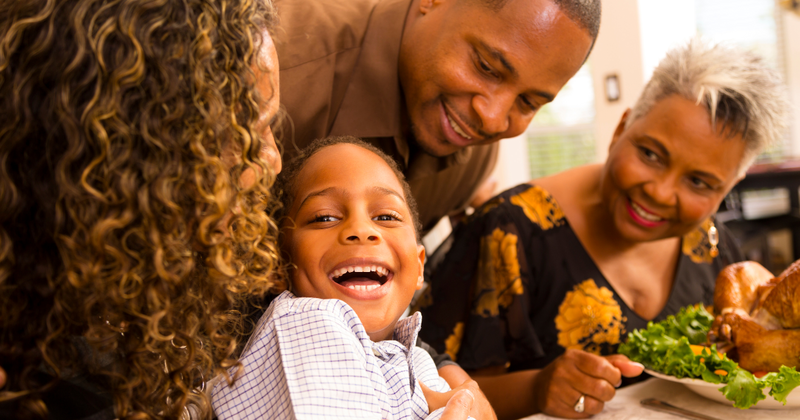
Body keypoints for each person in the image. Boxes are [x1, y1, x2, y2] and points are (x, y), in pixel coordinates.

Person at [416, 39, 789, 419]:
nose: (659, 193)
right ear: (621, 128)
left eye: (700, 183)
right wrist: (537, 389)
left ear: (729, 186)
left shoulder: (710, 244)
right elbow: (423, 388)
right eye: (650, 154)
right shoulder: (510, 230)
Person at [0, 0, 284, 418]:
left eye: (271, 128)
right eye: (245, 136)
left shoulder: (161, 272)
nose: (273, 159)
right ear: (137, 155)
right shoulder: (37, 367)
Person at [211, 137, 493, 419]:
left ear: (419, 267)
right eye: (324, 218)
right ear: (278, 266)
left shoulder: (415, 358)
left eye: (386, 216)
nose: (360, 229)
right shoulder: (306, 321)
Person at [273, 0, 600, 233]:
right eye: (486, 67)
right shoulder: (276, 68)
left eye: (528, 102)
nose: (492, 119)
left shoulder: (472, 161)